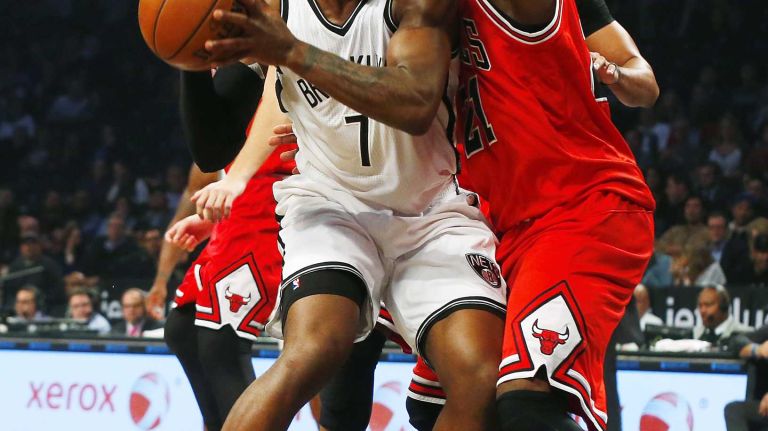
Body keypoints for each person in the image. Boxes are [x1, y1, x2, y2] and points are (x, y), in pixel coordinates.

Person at [204, 1, 507, 430]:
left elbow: (416, 104)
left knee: (481, 378)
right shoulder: (276, 7)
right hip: (330, 202)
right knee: (313, 351)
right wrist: (189, 61)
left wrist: (292, 53)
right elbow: (210, 148)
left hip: (431, 210)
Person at [454, 0, 657, 428]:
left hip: (582, 205)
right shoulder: (411, 21)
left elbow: (646, 84)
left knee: (528, 403)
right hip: (501, 227)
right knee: (452, 402)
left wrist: (615, 74)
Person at [147, 64, 300, 431]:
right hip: (236, 214)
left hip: (273, 211)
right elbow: (210, 159)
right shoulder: (240, 79)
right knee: (181, 330)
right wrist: (212, 218)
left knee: (222, 343)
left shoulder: (286, 63)